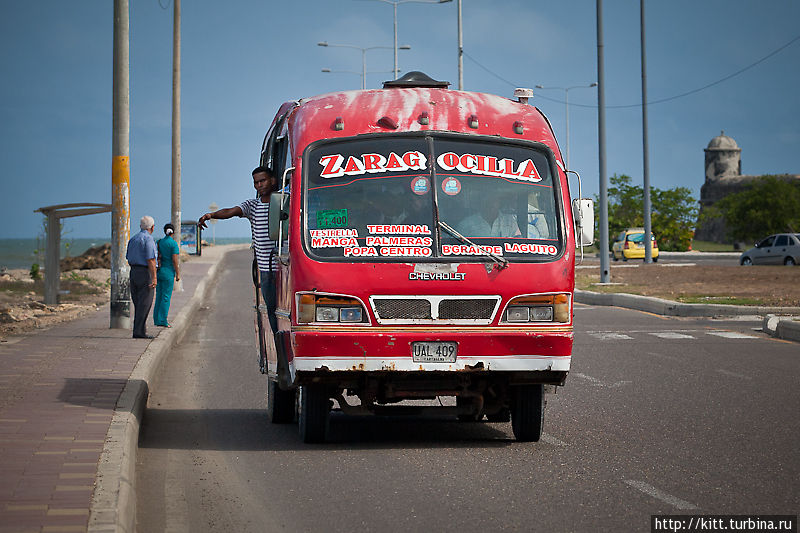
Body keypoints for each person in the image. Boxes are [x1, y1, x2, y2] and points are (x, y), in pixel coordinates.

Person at [198, 166, 279, 332]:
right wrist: (211, 215)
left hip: (285, 267)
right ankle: (279, 348)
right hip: (265, 270)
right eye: (256, 183)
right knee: (272, 311)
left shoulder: (286, 201)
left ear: (273, 180)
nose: (259, 185)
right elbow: (231, 211)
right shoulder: (252, 205)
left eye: (262, 181)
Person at [126, 215, 158, 339]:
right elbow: (150, 260)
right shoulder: (148, 239)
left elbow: (128, 257)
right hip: (145, 272)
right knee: (145, 303)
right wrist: (154, 277)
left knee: (138, 302)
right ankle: (139, 332)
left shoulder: (133, 239)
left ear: (140, 226)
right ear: (152, 227)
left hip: (134, 271)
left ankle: (140, 330)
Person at [153, 223, 181, 327]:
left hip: (159, 272)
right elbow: (174, 260)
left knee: (159, 296)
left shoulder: (159, 242)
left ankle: (156, 319)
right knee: (166, 297)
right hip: (168, 272)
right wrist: (178, 274)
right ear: (173, 232)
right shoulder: (173, 244)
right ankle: (163, 320)